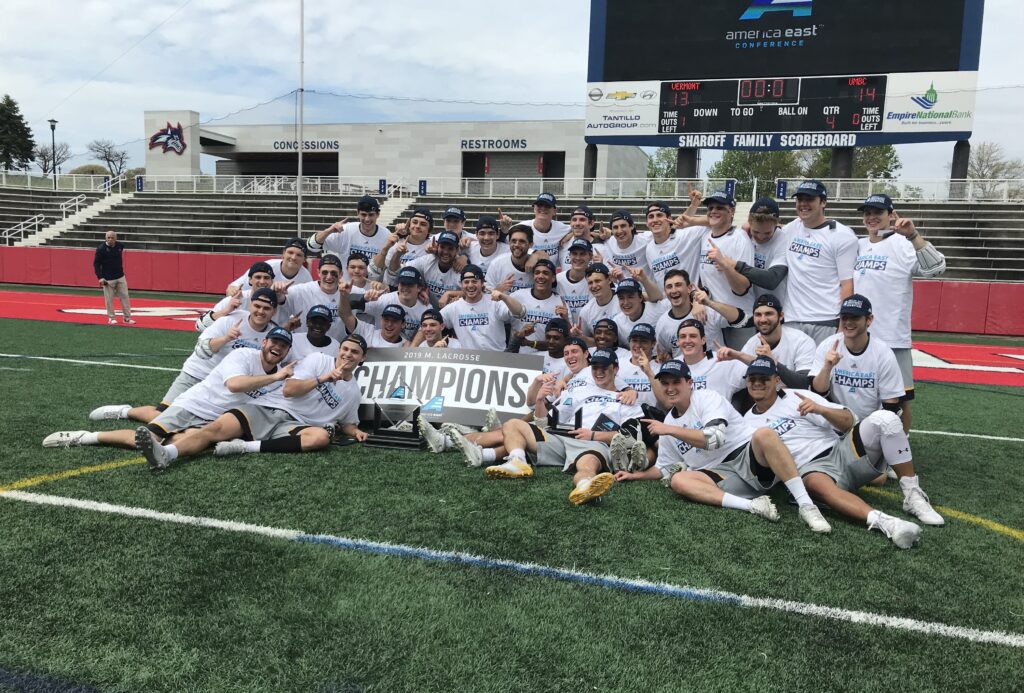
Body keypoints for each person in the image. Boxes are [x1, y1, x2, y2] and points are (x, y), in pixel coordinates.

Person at [743, 357, 943, 548]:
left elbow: (849, 421)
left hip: (841, 449)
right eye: (753, 379)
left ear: (777, 380)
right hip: (810, 469)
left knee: (886, 418)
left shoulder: (797, 396)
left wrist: (821, 409)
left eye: (764, 379)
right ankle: (889, 524)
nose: (758, 383)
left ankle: (912, 495)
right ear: (746, 382)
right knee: (814, 483)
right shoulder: (747, 422)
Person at [613, 359, 832, 532]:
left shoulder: (706, 398)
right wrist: (635, 476)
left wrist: (669, 430)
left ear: (690, 383)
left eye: (676, 382)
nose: (670, 388)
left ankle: (806, 506)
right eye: (665, 383)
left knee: (765, 434)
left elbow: (714, 438)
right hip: (721, 475)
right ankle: (753, 506)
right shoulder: (668, 422)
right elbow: (664, 467)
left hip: (749, 459)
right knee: (678, 480)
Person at [137, 335, 370, 469]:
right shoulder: (319, 361)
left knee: (320, 438)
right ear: (338, 350)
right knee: (215, 430)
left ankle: (244, 447)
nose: (348, 355)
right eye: (345, 349)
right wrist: (323, 378)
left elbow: (347, 422)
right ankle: (167, 454)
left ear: (362, 358)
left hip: (294, 425)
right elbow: (290, 390)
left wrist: (355, 432)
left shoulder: (353, 391)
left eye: (355, 352)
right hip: (268, 408)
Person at [46, 328, 295, 451]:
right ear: (264, 342)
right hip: (194, 405)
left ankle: (129, 413)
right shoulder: (244, 355)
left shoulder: (281, 376)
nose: (277, 348)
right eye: (274, 342)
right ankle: (87, 436)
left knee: (181, 443)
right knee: (145, 440)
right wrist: (276, 378)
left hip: (214, 418)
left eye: (283, 346)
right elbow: (234, 384)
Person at [459, 348, 639, 506]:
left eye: (604, 368)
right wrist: (539, 401)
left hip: (594, 443)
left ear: (615, 369)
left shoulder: (626, 399)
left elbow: (631, 437)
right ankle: (517, 461)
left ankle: (584, 487)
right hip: (562, 437)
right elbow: (544, 423)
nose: (598, 372)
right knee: (513, 424)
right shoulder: (578, 391)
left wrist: (593, 435)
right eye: (595, 368)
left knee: (588, 465)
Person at [89, 287, 283, 424]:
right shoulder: (231, 320)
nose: (261, 311)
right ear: (251, 305)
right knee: (162, 416)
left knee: (205, 423)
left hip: (223, 386)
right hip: (197, 374)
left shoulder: (274, 334)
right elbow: (202, 349)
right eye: (257, 306)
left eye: (266, 308)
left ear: (273, 311)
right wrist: (225, 338)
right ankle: (125, 411)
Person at [854, 195, 946, 431]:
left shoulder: (903, 244)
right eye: (867, 213)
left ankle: (898, 453)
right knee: (860, 395)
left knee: (899, 401)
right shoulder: (859, 245)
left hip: (893, 337)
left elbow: (936, 268)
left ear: (891, 215)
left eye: (878, 212)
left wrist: (913, 236)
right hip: (859, 337)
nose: (871, 217)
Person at [778, 181, 858, 343]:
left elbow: (847, 284)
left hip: (825, 319)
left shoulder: (842, 235)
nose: (803, 204)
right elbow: (766, 230)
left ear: (823, 202)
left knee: (823, 368)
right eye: (800, 199)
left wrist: (843, 324)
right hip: (792, 318)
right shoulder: (791, 228)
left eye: (809, 199)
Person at [810, 295, 905, 423]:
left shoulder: (883, 353)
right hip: (834, 420)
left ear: (869, 320)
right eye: (844, 317)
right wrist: (827, 368)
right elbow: (818, 392)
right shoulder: (828, 346)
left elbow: (891, 404)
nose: (848, 322)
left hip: (871, 424)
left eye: (855, 317)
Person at [716, 294, 816, 389]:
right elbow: (740, 383)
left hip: (797, 401)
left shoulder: (801, 341)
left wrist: (772, 362)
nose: (763, 319)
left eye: (769, 314)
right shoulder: (751, 343)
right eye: (758, 315)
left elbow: (805, 383)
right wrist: (738, 357)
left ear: (781, 316)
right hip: (765, 401)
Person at [697, 190, 757, 348]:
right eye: (710, 208)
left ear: (731, 211)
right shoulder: (705, 236)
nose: (713, 211)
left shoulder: (740, 239)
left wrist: (725, 265)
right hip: (714, 319)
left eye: (719, 207)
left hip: (739, 319)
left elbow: (742, 287)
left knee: (741, 369)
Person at [654, 272, 741, 360]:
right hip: (685, 372)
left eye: (678, 285)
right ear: (665, 291)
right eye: (669, 287)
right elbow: (665, 353)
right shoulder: (662, 324)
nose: (674, 290)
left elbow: (740, 319)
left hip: (716, 368)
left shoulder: (707, 311)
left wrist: (710, 303)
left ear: (689, 288)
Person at [440, 265, 527, 351]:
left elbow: (520, 313)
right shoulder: (454, 307)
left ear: (482, 283)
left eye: (474, 281)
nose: (470, 285)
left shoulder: (494, 302)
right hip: (469, 361)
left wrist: (504, 297)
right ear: (461, 284)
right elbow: (431, 324)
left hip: (496, 359)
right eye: (466, 282)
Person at [308, 195, 390, 281]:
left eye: (371, 215)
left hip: (372, 290)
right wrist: (329, 231)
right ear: (357, 213)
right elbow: (312, 246)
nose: (367, 219)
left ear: (378, 214)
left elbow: (388, 268)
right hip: (346, 288)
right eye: (363, 214)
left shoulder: (386, 235)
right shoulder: (346, 230)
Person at [282, 253, 348, 341]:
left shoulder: (350, 291)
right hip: (304, 347)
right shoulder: (300, 291)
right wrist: (277, 293)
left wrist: (372, 292)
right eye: (325, 272)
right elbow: (276, 302)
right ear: (318, 273)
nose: (329, 277)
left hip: (337, 348)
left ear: (341, 274)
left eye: (333, 273)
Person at [509, 259, 569, 354]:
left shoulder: (560, 303)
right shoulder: (517, 296)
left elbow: (566, 339)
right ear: (533, 276)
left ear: (553, 278)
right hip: (518, 357)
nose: (540, 276)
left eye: (545, 273)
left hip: (546, 359)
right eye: (537, 273)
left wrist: (566, 320)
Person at [197, 261, 277, 330]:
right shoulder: (237, 298)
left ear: (272, 281)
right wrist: (226, 310)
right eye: (258, 277)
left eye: (266, 278)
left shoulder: (278, 301)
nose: (262, 281)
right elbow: (200, 325)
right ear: (250, 280)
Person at [357, 266, 430, 340]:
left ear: (419, 288)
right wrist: (364, 299)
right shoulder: (382, 300)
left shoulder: (426, 308)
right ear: (398, 285)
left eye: (410, 285)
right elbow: (351, 305)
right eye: (402, 284)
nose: (405, 288)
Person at [644, 197, 703, 289]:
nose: (655, 220)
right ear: (647, 223)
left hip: (689, 299)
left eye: (659, 215)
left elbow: (714, 222)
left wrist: (694, 207)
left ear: (669, 218)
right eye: (651, 217)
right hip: (665, 301)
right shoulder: (649, 248)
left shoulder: (687, 235)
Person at [403, 231, 463, 307]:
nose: (445, 252)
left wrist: (449, 293)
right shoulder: (429, 260)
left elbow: (479, 290)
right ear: (437, 246)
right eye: (442, 247)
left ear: (457, 250)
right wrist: (419, 289)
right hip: (431, 311)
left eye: (450, 248)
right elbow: (404, 269)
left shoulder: (461, 267)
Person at [228, 238, 312, 293]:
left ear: (304, 259)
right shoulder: (267, 266)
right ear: (283, 253)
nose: (293, 257)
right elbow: (232, 287)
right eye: (290, 253)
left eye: (299, 255)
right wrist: (233, 291)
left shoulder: (306, 278)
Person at [338, 284, 408, 348]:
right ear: (381, 320)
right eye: (386, 319)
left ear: (403, 324)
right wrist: (343, 296)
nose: (389, 324)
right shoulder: (368, 331)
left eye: (394, 321)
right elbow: (345, 315)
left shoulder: (406, 346)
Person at [379, 208, 434, 285]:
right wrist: (397, 255)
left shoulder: (432, 247)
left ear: (429, 229)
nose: (417, 226)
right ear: (409, 225)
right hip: (392, 288)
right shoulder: (396, 242)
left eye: (423, 224)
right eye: (414, 222)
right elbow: (390, 272)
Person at [611, 273, 665, 346]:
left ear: (640, 297)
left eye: (630, 297)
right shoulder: (617, 322)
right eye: (621, 298)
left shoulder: (657, 309)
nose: (625, 302)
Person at [94, 229, 134, 325]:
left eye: (112, 237)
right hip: (108, 279)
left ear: (115, 238)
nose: (110, 239)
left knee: (125, 297)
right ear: (105, 238)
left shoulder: (120, 246)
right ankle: (111, 318)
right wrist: (100, 277)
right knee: (109, 300)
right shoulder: (101, 249)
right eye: (108, 237)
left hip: (120, 276)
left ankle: (127, 318)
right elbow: (96, 264)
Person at [600, 209, 650, 280]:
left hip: (643, 289)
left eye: (623, 226)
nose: (619, 231)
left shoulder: (645, 240)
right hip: (619, 289)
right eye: (615, 227)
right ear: (611, 230)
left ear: (632, 226)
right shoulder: (607, 242)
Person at [485, 225, 536, 294]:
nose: (517, 245)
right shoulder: (497, 264)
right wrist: (499, 289)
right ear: (509, 242)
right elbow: (486, 294)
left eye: (522, 241)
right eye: (514, 241)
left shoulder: (537, 265)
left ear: (530, 244)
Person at [576, 263, 621, 340]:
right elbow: (584, 339)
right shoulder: (586, 311)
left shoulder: (623, 299)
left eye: (597, 281)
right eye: (590, 283)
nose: (594, 286)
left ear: (609, 279)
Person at [556, 237, 596, 323]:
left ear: (590, 256)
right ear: (569, 256)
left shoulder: (595, 281)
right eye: (574, 253)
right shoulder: (557, 279)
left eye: (582, 254)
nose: (578, 258)